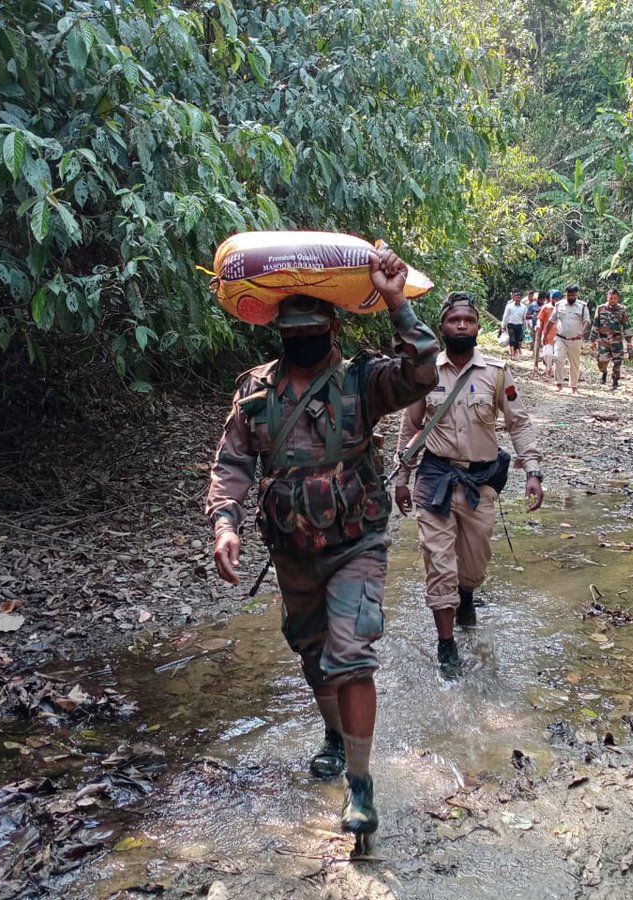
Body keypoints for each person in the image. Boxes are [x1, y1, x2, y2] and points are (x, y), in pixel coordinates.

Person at [205, 246, 439, 844]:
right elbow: (232, 463)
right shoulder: (255, 392)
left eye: (312, 329)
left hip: (356, 539)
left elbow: (422, 374)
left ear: (333, 328)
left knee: (351, 651)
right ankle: (334, 737)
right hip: (291, 550)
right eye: (292, 331)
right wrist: (225, 524)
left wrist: (394, 301)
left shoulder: (364, 378)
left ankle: (361, 786)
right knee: (313, 655)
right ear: (280, 332)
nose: (302, 338)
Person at [393, 292, 544, 678]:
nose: (462, 325)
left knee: (473, 566)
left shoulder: (497, 372)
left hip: (479, 483)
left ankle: (467, 595)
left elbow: (518, 423)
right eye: (454, 320)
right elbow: (411, 427)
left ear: (478, 328)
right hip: (435, 480)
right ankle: (447, 646)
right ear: (442, 327)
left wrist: (532, 471)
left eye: (469, 320)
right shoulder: (425, 373)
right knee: (439, 564)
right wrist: (402, 478)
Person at [589, 287, 633, 390]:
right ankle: (604, 372)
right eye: (611, 298)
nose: (612, 300)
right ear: (607, 297)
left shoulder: (622, 310)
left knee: (617, 362)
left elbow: (626, 325)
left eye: (615, 298)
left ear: (618, 299)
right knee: (602, 361)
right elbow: (596, 324)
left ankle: (615, 381)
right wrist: (592, 340)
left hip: (617, 340)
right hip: (603, 340)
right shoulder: (600, 308)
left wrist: (629, 342)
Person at [554, 284, 591, 395]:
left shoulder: (583, 306)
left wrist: (582, 332)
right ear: (566, 294)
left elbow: (587, 321)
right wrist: (545, 334)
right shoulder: (558, 305)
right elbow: (552, 320)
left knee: (574, 363)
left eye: (573, 295)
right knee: (558, 359)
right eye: (569, 295)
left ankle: (574, 387)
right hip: (560, 338)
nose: (571, 297)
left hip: (575, 340)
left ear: (576, 295)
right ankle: (559, 385)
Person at [534, 290, 557, 376]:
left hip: (559, 336)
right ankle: (548, 369)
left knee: (557, 356)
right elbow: (540, 319)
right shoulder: (545, 308)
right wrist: (538, 326)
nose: (555, 300)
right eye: (554, 298)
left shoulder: (562, 308)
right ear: (550, 298)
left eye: (557, 298)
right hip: (547, 335)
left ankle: (554, 372)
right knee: (547, 354)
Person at [499, 291, 527, 359]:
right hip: (511, 324)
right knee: (512, 339)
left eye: (519, 297)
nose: (518, 299)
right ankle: (512, 354)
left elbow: (524, 317)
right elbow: (505, 316)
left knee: (518, 340)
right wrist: (503, 326)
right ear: (514, 298)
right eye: (516, 297)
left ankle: (516, 352)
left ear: (521, 298)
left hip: (519, 325)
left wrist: (525, 326)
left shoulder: (524, 307)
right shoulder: (509, 306)